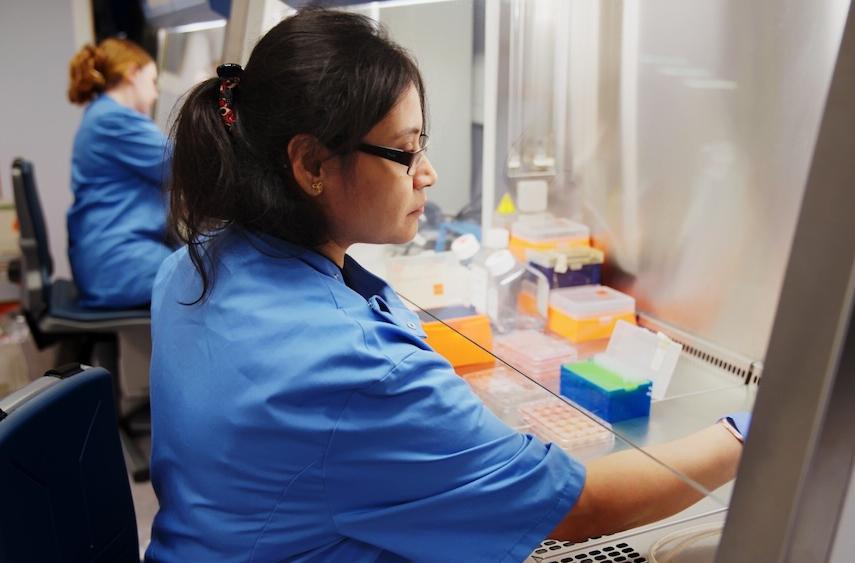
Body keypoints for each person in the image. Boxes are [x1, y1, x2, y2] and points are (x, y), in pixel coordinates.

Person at [145, 9, 748, 562]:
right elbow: (578, 507)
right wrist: (743, 437)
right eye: (405, 151)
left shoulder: (191, 265)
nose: (428, 173)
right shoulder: (357, 369)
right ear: (310, 166)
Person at [66, 37, 173, 308]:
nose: (156, 94)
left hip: (111, 257)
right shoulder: (113, 119)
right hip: (120, 263)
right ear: (132, 74)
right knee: (215, 280)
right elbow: (182, 164)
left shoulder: (101, 114)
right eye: (153, 82)